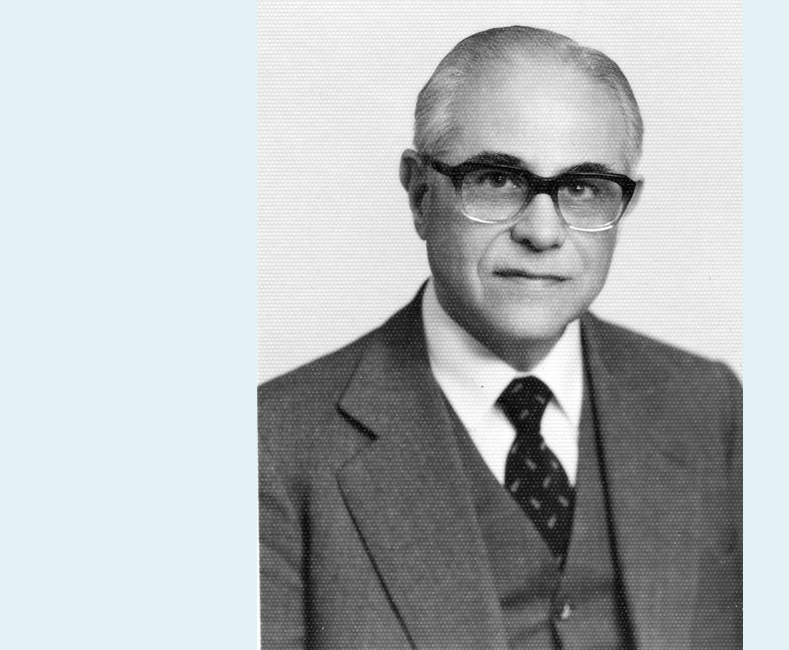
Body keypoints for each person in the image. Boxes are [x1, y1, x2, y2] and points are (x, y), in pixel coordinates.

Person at [258, 25, 742, 649]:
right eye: (497, 180)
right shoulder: (273, 444)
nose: (542, 233)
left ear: (625, 205)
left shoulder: (708, 405)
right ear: (420, 195)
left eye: (584, 189)